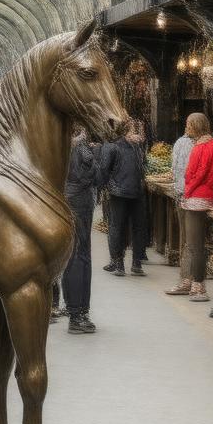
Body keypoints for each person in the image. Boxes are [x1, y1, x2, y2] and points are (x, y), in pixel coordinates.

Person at [62, 129, 102, 333]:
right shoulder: (80, 147)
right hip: (79, 204)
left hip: (69, 200)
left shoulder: (63, 142)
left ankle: (74, 309)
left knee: (73, 256)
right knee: (79, 257)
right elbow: (94, 175)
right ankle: (77, 314)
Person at [179, 115, 213, 302]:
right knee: (196, 244)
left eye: (189, 124)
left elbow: (194, 173)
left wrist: (188, 190)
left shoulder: (200, 147)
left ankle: (197, 285)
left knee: (194, 245)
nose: (186, 127)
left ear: (195, 126)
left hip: (197, 198)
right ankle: (190, 281)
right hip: (210, 195)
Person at [99, 120, 148, 277]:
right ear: (125, 132)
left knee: (131, 226)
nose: (137, 134)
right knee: (120, 226)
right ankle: (120, 262)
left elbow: (105, 170)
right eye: (134, 131)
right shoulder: (116, 146)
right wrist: (106, 187)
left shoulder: (134, 147)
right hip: (123, 192)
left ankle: (133, 262)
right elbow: (104, 169)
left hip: (132, 191)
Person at [166, 115, 198, 296]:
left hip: (185, 194)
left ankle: (187, 277)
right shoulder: (198, 144)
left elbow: (175, 167)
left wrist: (181, 189)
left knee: (187, 239)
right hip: (192, 195)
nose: (187, 127)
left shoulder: (182, 143)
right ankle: (189, 277)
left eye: (189, 124)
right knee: (191, 239)